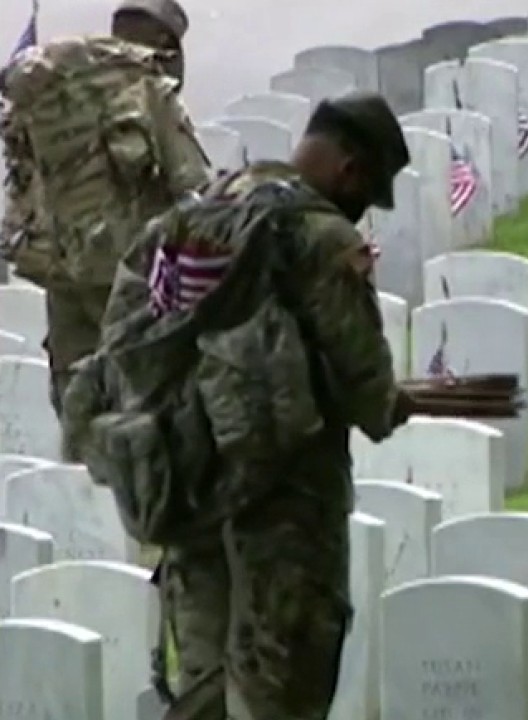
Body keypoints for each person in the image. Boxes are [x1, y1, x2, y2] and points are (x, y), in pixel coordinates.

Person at [148, 92, 413, 719]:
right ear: (350, 171)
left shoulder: (213, 204)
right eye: (367, 195)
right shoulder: (322, 237)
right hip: (287, 507)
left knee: (204, 686)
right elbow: (369, 391)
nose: (361, 212)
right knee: (283, 685)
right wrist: (394, 402)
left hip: (193, 489)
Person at [0, 0, 206, 459]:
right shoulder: (147, 85)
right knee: (141, 395)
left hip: (60, 268)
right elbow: (192, 188)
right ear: (165, 41)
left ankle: (77, 480)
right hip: (128, 275)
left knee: (75, 388)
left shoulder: (53, 86)